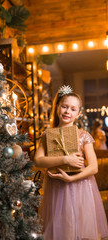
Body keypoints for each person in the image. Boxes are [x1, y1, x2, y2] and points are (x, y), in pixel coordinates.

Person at [34, 85, 108, 240]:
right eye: (64, 107)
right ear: (58, 108)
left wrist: (72, 178)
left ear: (78, 113)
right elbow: (38, 160)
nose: (68, 111)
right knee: (61, 228)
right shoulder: (48, 134)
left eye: (73, 109)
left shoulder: (83, 135)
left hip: (80, 187)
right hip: (56, 187)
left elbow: (94, 167)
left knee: (80, 227)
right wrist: (66, 159)